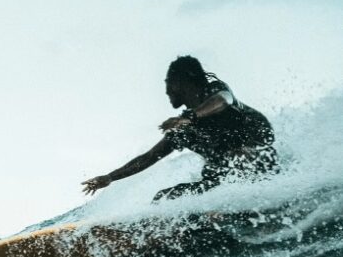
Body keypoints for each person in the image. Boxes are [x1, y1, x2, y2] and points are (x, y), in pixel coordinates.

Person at [81, 55, 278, 201]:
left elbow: (223, 101)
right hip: (225, 177)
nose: (167, 91)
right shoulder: (185, 130)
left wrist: (189, 117)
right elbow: (150, 157)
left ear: (180, 82)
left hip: (258, 156)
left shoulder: (214, 90)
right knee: (164, 197)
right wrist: (110, 177)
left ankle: (257, 198)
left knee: (239, 154)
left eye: (168, 83)